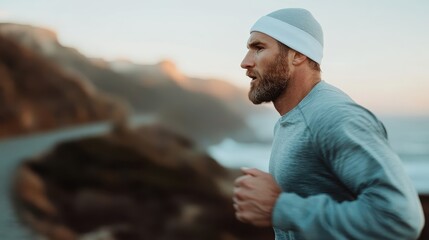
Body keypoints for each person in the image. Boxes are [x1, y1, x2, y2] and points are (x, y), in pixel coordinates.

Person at [232, 8, 425, 240]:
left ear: (298, 55)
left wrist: (280, 207)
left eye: (258, 48)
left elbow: (400, 219)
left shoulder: (334, 117)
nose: (245, 62)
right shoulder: (293, 118)